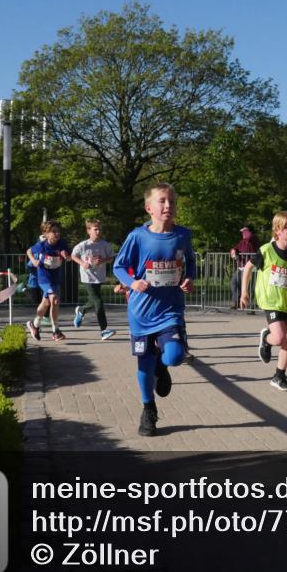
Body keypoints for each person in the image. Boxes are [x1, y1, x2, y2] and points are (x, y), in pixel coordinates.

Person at [113, 183, 196, 437]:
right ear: (149, 208)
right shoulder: (138, 236)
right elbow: (119, 266)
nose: (168, 206)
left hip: (170, 310)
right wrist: (132, 282)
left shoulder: (183, 235)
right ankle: (148, 409)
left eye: (171, 201)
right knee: (144, 365)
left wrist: (189, 278)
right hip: (141, 313)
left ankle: (164, 365)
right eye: (162, 201)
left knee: (174, 356)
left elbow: (190, 263)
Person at [239, 211, 287, 392]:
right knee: (279, 338)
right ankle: (267, 339)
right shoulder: (266, 251)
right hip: (271, 300)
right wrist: (244, 292)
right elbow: (247, 268)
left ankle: (279, 375)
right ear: (277, 231)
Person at [71, 219, 117, 340]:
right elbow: (73, 255)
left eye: (100, 229)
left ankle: (81, 310)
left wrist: (103, 260)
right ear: (88, 231)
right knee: (98, 302)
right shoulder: (83, 245)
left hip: (99, 277)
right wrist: (82, 263)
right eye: (95, 229)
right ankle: (104, 330)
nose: (98, 231)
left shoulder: (105, 245)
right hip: (87, 277)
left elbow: (111, 258)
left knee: (93, 300)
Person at [26, 222, 71, 342]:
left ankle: (34, 325)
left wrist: (66, 256)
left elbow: (69, 257)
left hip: (55, 277)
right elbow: (29, 251)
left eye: (58, 231)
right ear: (46, 234)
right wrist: (33, 261)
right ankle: (56, 331)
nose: (57, 234)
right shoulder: (42, 245)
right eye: (54, 231)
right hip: (43, 276)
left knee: (46, 303)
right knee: (54, 300)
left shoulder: (62, 243)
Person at [230, 227, 259, 309]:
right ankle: (235, 302)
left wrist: (248, 233)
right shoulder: (243, 241)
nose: (243, 233)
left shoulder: (253, 239)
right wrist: (233, 251)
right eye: (242, 232)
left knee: (251, 288)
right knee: (234, 283)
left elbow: (251, 238)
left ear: (250, 232)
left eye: (245, 232)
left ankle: (252, 306)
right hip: (241, 267)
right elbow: (236, 248)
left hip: (251, 268)